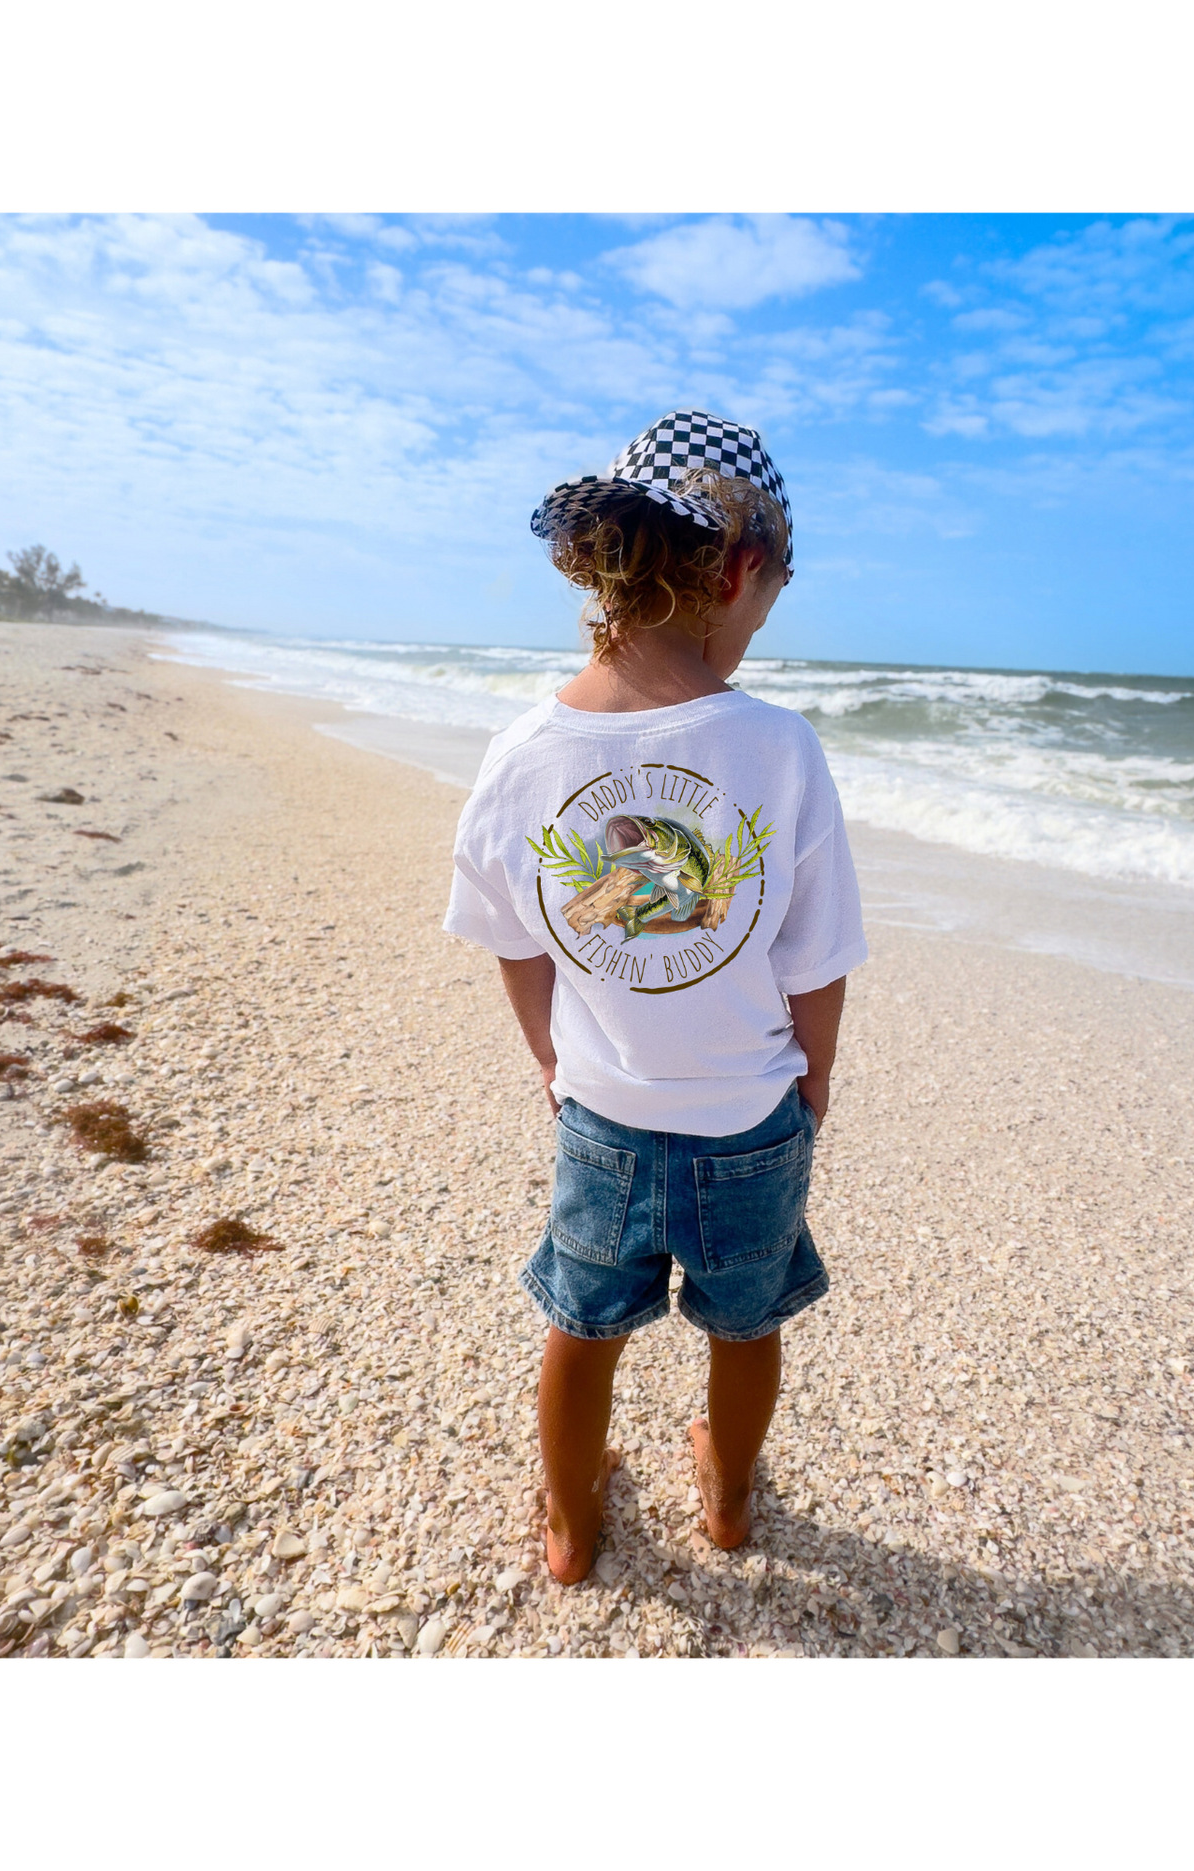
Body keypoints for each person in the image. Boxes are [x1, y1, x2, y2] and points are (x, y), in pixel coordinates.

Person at [444, 411, 866, 1583]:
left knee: (579, 1325)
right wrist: (814, 1071)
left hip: (601, 1116)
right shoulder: (779, 747)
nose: (752, 638)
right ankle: (727, 1499)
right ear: (738, 571)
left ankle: (573, 1526)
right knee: (747, 1321)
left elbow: (512, 936)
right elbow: (811, 954)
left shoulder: (524, 746)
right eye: (763, 608)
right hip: (750, 1122)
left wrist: (544, 1052)